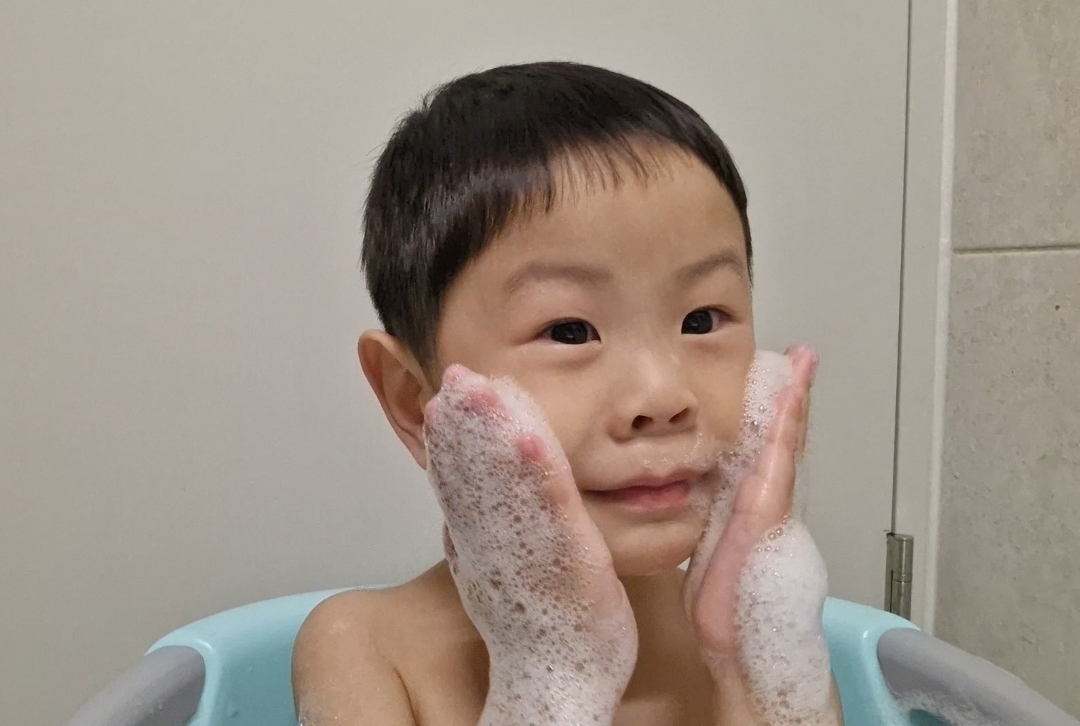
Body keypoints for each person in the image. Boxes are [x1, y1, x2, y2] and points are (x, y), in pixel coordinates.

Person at [292, 61, 842, 726]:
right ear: (415, 402)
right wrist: (556, 672)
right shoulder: (367, 649)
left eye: (701, 319)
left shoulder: (762, 637)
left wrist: (743, 667)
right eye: (570, 331)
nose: (662, 395)